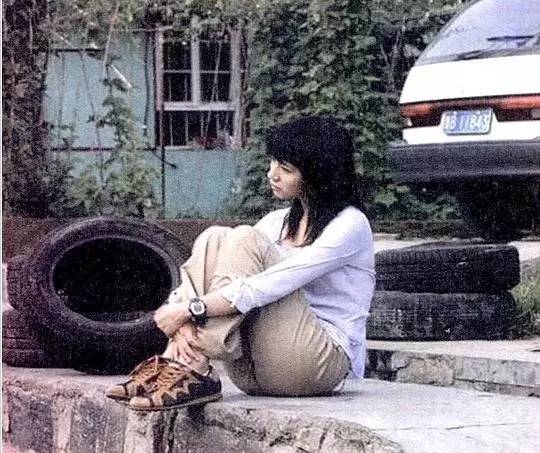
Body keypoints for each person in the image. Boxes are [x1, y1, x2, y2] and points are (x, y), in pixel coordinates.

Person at [105, 115, 375, 410]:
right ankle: (182, 362)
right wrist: (182, 319)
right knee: (216, 237)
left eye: (285, 169)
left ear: (318, 175)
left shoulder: (350, 224)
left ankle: (190, 361)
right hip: (252, 370)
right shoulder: (277, 222)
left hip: (315, 365)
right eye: (273, 163)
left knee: (244, 238)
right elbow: (229, 270)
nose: (272, 174)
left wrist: (189, 310)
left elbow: (272, 284)